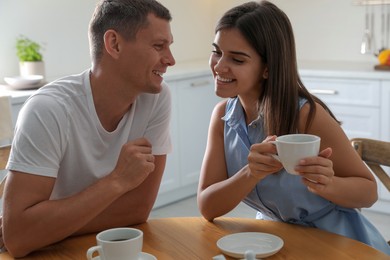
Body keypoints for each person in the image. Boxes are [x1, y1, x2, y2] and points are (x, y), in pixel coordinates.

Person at [197, 0, 390, 255]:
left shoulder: (306, 115)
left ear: (267, 68)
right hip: (273, 243)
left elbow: (368, 192)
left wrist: (327, 184)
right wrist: (250, 174)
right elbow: (208, 207)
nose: (219, 66)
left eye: (237, 59)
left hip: (338, 243)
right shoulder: (223, 116)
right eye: (217, 51)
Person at [1, 0, 175, 257]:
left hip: (76, 244)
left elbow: (138, 210)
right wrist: (117, 182)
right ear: (114, 44)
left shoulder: (156, 97)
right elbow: (18, 238)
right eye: (158, 46)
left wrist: (47, 226)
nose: (170, 59)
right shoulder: (48, 109)